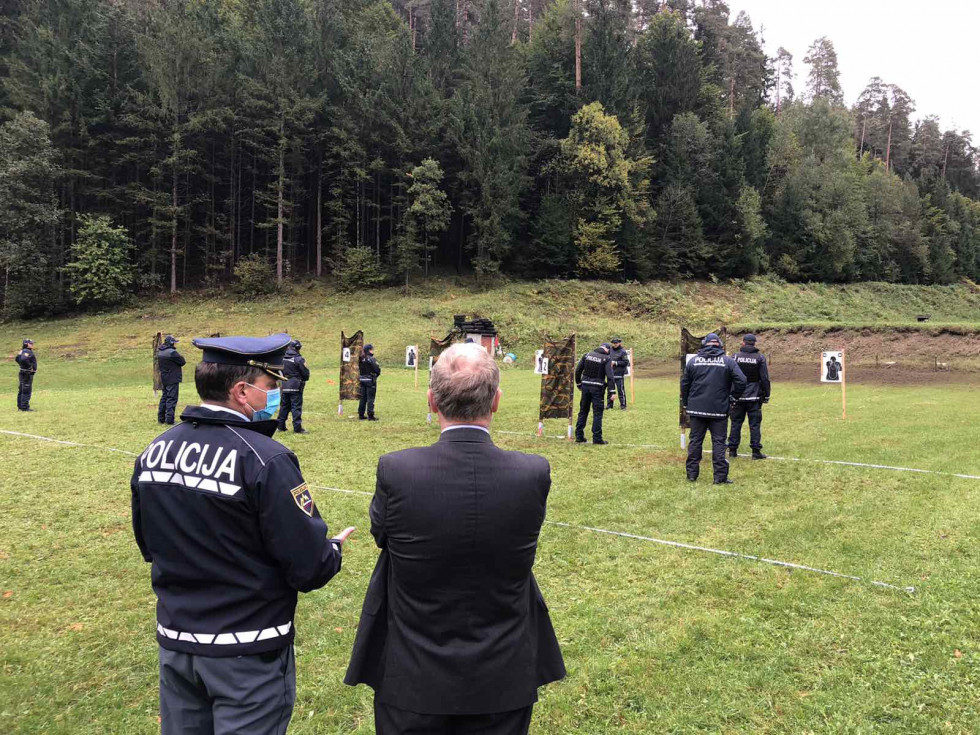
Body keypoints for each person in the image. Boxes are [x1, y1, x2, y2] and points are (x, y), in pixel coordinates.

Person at [131, 333, 355, 735]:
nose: (275, 395)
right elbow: (310, 567)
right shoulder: (266, 458)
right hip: (247, 651)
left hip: (177, 644)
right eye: (270, 386)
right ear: (241, 391)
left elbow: (149, 545)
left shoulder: (154, 450)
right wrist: (333, 548)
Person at [345, 342, 565, 735]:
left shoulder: (399, 470)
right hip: (501, 672)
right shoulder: (531, 472)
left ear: (431, 401)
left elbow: (382, 533)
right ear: (496, 401)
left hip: (413, 673)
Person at [680, 333, 746, 485]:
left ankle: (691, 474)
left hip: (696, 409)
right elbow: (742, 380)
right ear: (720, 345)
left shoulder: (693, 361)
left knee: (695, 441)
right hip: (719, 409)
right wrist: (733, 397)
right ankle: (720, 477)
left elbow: (685, 384)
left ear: (704, 344)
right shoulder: (728, 361)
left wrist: (687, 402)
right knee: (719, 443)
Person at [728, 334, 770, 460]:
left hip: (737, 396)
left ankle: (732, 450)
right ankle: (756, 452)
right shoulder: (760, 358)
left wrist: (730, 393)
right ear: (754, 343)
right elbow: (765, 378)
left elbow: (729, 376)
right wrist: (767, 394)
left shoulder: (734, 357)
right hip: (754, 397)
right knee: (755, 425)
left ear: (743, 343)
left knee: (735, 423)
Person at [574, 342, 615, 444]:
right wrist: (612, 391)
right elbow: (610, 376)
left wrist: (579, 383)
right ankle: (597, 438)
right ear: (607, 350)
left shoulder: (587, 355)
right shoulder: (606, 358)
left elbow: (578, 370)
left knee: (583, 411)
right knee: (597, 413)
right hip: (597, 388)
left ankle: (579, 436)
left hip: (585, 387)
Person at [278, 339, 310, 434]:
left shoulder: (282, 358)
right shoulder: (299, 359)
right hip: (296, 386)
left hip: (284, 384)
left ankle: (281, 426)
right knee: (296, 407)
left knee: (284, 406)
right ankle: (297, 428)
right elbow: (305, 373)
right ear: (297, 348)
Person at [156, 335, 186, 425]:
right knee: (172, 398)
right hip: (173, 378)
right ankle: (170, 420)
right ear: (171, 343)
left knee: (164, 398)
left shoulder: (160, 352)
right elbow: (182, 362)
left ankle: (161, 418)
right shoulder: (172, 353)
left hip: (164, 378)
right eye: (174, 342)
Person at [358, 343, 381, 421]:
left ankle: (361, 414)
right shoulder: (371, 359)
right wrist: (375, 376)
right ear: (369, 350)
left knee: (363, 398)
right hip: (370, 381)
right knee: (370, 398)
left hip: (361, 380)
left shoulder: (360, 359)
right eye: (372, 349)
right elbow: (377, 370)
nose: (373, 351)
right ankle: (370, 415)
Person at [606, 337, 630, 410]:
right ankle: (609, 405)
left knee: (621, 391)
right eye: (613, 343)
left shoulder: (623, 351)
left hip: (619, 374)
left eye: (616, 343)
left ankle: (623, 406)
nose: (615, 344)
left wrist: (615, 363)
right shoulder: (609, 350)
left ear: (619, 343)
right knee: (610, 391)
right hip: (610, 374)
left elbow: (626, 362)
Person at [15, 338, 37, 411]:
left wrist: (22, 366)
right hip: (27, 373)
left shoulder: (22, 351)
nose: (32, 344)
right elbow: (24, 359)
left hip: (22, 372)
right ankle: (24, 407)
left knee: (21, 389)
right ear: (26, 344)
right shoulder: (27, 351)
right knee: (26, 390)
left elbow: (17, 359)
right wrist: (29, 367)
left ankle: (20, 407)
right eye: (31, 343)